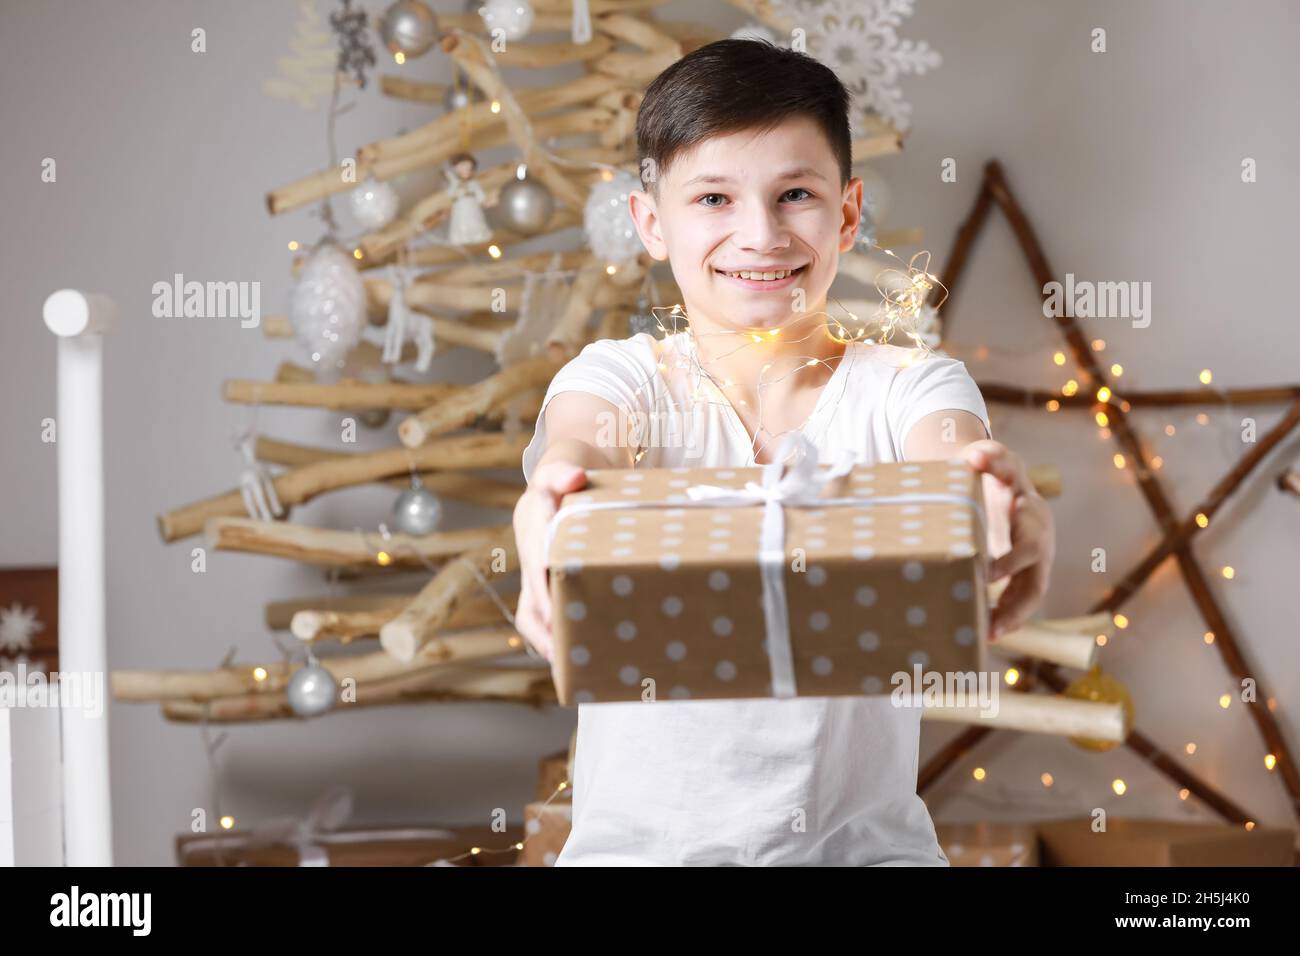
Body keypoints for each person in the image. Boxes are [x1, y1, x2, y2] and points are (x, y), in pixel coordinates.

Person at [512, 39, 1055, 865]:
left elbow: (957, 465)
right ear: (651, 224)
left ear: (847, 212)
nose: (760, 235)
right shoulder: (623, 379)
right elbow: (578, 453)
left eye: (794, 193)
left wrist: (1000, 503)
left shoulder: (908, 387)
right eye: (714, 198)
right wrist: (548, 503)